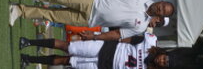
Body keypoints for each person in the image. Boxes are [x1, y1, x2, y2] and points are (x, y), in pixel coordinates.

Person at [7, 0, 176, 40]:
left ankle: (20, 10)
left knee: (52, 15)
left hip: (90, 20)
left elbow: (117, 34)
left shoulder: (141, 27)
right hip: (92, 0)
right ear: (161, 1)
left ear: (161, 16)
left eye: (163, 11)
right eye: (162, 5)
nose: (160, 8)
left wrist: (95, 36)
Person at [18, 32, 171, 68]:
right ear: (163, 53)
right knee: (67, 46)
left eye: (164, 63)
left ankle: (29, 59)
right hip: (106, 48)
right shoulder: (150, 43)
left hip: (103, 66)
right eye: (164, 58)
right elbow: (124, 38)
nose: (161, 60)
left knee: (67, 61)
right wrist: (99, 37)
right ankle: (28, 42)